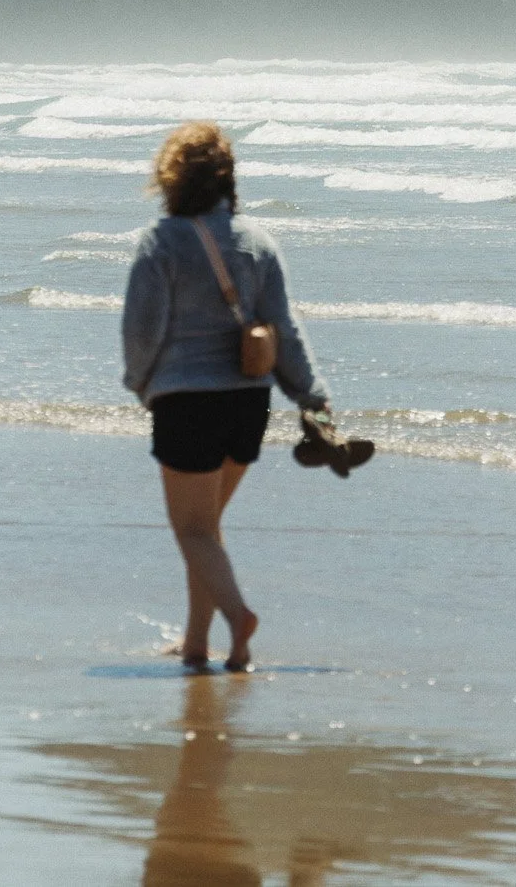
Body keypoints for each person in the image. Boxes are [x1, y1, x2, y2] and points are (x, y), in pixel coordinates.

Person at [123, 120, 356, 673]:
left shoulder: (159, 243)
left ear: (171, 178)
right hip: (249, 404)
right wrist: (311, 396)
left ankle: (239, 618)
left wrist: (141, 384)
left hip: (186, 402)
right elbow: (285, 329)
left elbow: (141, 329)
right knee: (207, 529)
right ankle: (197, 644)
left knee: (194, 529)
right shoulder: (258, 242)